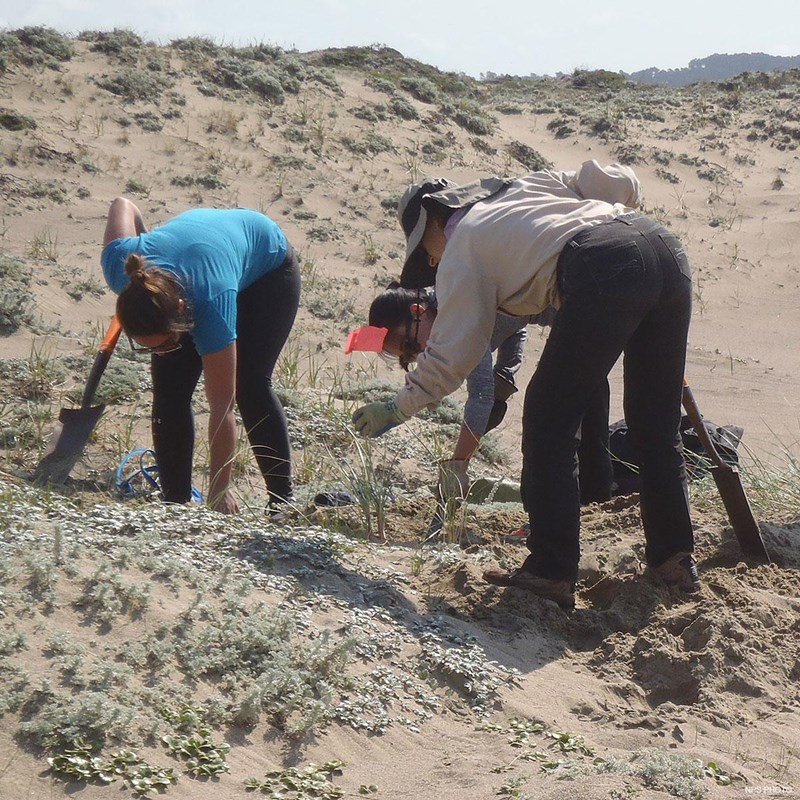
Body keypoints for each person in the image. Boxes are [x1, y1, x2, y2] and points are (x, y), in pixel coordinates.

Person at [351, 161, 698, 609]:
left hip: (603, 264)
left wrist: (399, 407)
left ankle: (551, 570)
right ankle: (674, 561)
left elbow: (452, 354)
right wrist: (623, 225)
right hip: (664, 248)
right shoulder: (525, 189)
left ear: (435, 221)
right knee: (656, 421)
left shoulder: (463, 247)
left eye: (426, 251)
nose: (431, 260)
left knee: (548, 418)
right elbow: (611, 179)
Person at [101, 197, 300, 516]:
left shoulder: (211, 302)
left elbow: (223, 406)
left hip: (267, 271)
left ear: (181, 312)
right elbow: (124, 205)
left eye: (163, 343)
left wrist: (219, 490)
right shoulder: (119, 265)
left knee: (249, 384)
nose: (158, 352)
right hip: (196, 264)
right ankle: (175, 502)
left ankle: (283, 502)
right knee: (168, 392)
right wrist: (145, 239)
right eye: (147, 346)